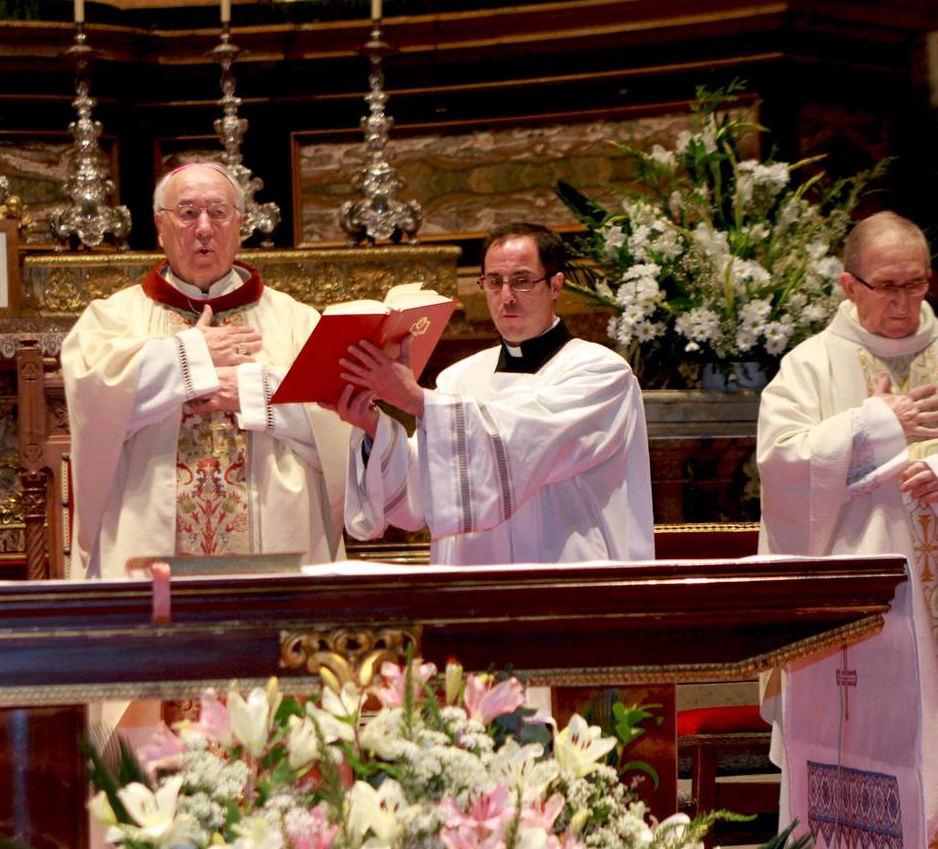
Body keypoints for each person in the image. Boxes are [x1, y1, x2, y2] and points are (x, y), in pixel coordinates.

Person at [61, 162, 350, 580]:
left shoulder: (298, 321)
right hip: (148, 558)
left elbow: (340, 426)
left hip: (277, 560)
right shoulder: (111, 319)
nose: (203, 228)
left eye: (218, 212)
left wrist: (255, 393)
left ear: (240, 226)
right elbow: (94, 410)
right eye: (187, 213)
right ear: (160, 227)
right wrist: (190, 357)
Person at [757, 210, 938, 849]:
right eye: (887, 286)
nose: (903, 302)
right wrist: (877, 425)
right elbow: (780, 463)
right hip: (858, 619)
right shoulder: (809, 366)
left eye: (916, 284)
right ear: (848, 285)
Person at [332, 221, 654, 564]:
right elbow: (422, 489)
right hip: (470, 576)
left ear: (556, 285)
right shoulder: (458, 378)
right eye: (495, 282)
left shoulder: (601, 372)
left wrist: (417, 401)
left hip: (564, 570)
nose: (507, 296)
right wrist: (374, 428)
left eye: (522, 281)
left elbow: (531, 439)